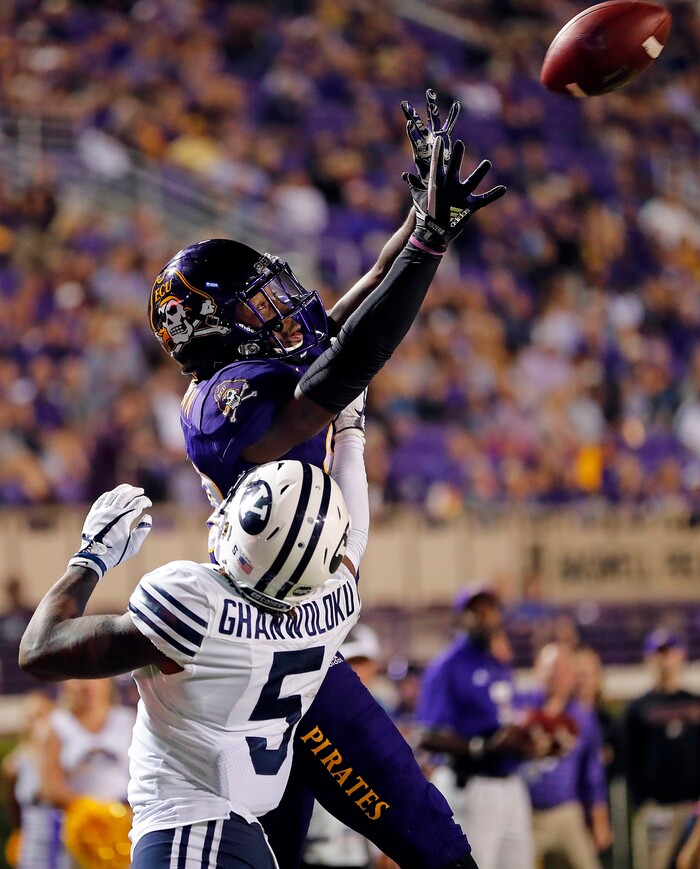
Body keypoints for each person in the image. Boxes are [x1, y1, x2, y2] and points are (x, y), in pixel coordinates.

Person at [146, 91, 504, 869]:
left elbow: (367, 291)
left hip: (304, 628)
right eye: (258, 301)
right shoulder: (216, 404)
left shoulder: (265, 367)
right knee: (434, 843)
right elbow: (337, 375)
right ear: (211, 328)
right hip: (277, 646)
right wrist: (430, 249)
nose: (285, 306)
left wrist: (423, 218)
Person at [19, 400, 372, 866]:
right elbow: (355, 538)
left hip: (190, 831)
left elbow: (40, 649)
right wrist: (349, 431)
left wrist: (89, 559)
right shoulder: (337, 600)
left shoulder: (194, 600)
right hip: (245, 836)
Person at [416, 586, 545, 869]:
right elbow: (427, 736)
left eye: (491, 610)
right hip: (473, 786)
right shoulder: (446, 666)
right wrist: (483, 747)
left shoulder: (499, 662)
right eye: (477, 611)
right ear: (462, 618)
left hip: (511, 785)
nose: (486, 617)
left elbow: (504, 720)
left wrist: (533, 745)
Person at [519, 642, 611, 869]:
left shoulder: (583, 717)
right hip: (523, 814)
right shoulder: (519, 708)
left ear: (571, 675)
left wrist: (599, 821)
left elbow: (593, 775)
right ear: (537, 670)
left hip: (566, 813)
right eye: (550, 668)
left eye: (561, 669)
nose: (555, 674)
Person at [302, 625, 383, 869]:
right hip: (315, 852)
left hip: (361, 853)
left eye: (361, 662)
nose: (354, 671)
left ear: (373, 667)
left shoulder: (380, 717)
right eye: (348, 662)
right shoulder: (305, 712)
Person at [622, 628, 700, 869]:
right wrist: (643, 803)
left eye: (670, 652)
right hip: (657, 810)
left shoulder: (695, 702)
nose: (665, 660)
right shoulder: (638, 707)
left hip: (694, 809)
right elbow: (630, 760)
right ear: (649, 659)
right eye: (659, 654)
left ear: (681, 655)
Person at [1, 691, 56, 869]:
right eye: (30, 717)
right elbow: (13, 806)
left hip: (60, 840)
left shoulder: (63, 754)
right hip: (32, 843)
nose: (36, 723)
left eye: (41, 715)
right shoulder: (16, 763)